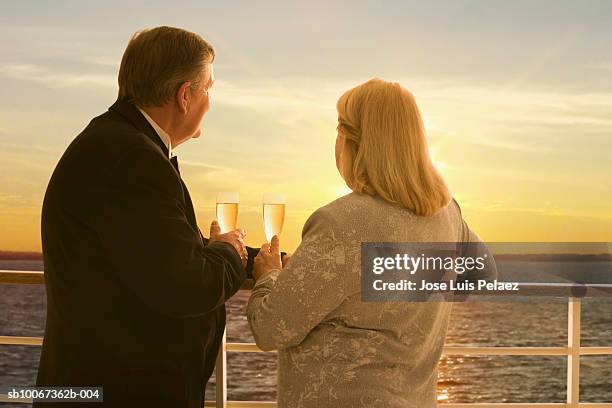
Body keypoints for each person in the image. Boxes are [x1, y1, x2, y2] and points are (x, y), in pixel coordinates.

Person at [36, 26, 253, 407]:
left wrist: (255, 256)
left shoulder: (117, 143)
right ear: (185, 96)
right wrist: (231, 255)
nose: (210, 101)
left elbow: (155, 251)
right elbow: (184, 284)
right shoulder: (131, 158)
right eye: (209, 88)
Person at [248, 78, 496, 407]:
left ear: (356, 143)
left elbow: (270, 328)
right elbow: (484, 274)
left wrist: (269, 275)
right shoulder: (446, 213)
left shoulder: (340, 223)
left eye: (339, 131)